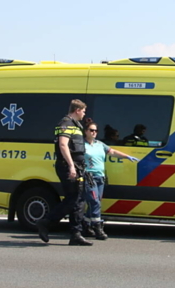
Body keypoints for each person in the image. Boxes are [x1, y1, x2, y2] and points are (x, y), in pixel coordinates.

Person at [37, 99, 91, 246]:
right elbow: (63, 144)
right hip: (68, 166)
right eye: (83, 111)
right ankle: (46, 222)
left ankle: (76, 234)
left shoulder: (76, 125)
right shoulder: (65, 123)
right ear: (77, 110)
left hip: (78, 166)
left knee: (79, 200)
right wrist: (71, 166)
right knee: (73, 199)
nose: (84, 114)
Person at [82, 118, 139, 239]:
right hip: (88, 176)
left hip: (100, 177)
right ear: (86, 131)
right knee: (94, 201)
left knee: (96, 202)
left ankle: (86, 226)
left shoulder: (99, 144)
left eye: (96, 131)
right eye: (91, 130)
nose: (94, 133)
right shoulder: (81, 144)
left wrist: (127, 156)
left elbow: (112, 152)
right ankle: (98, 228)